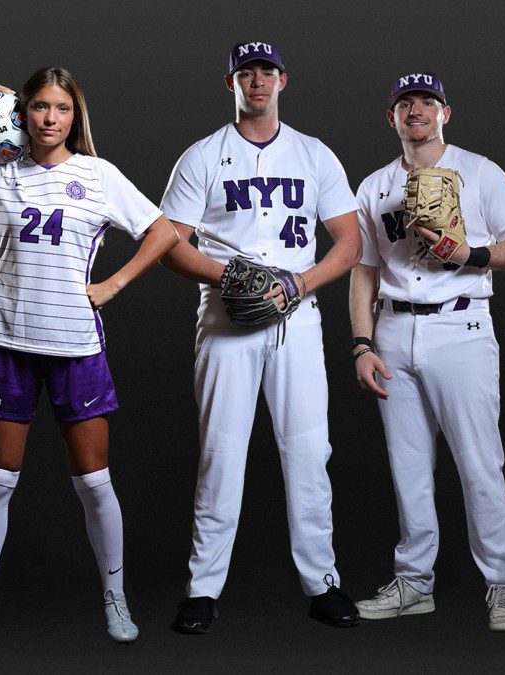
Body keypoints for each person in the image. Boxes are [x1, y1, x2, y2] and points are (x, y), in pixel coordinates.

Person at [0, 67, 179, 642]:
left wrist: (113, 285)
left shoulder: (98, 176)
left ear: (76, 116)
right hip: (9, 344)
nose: (51, 118)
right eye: (41, 107)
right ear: (20, 112)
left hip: (76, 347)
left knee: (95, 482)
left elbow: (163, 231)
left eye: (63, 108)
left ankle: (116, 599)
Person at [159, 42, 363, 633]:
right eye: (246, 74)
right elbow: (171, 243)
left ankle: (322, 583)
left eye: (266, 73)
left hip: (297, 319)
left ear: (283, 81)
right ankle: (202, 590)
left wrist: (299, 283)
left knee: (308, 452)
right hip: (226, 320)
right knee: (222, 455)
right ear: (231, 83)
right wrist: (235, 278)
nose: (257, 82)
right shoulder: (202, 156)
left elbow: (348, 243)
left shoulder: (314, 153)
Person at [349, 72, 505, 631]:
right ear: (392, 118)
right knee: (408, 468)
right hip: (393, 332)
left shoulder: (480, 171)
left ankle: (504, 584)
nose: (417, 111)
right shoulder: (374, 186)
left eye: (427, 102)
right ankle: (414, 582)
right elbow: (363, 271)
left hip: (460, 328)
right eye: (406, 104)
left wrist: (471, 254)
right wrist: (361, 344)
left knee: (479, 464)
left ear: (444, 113)